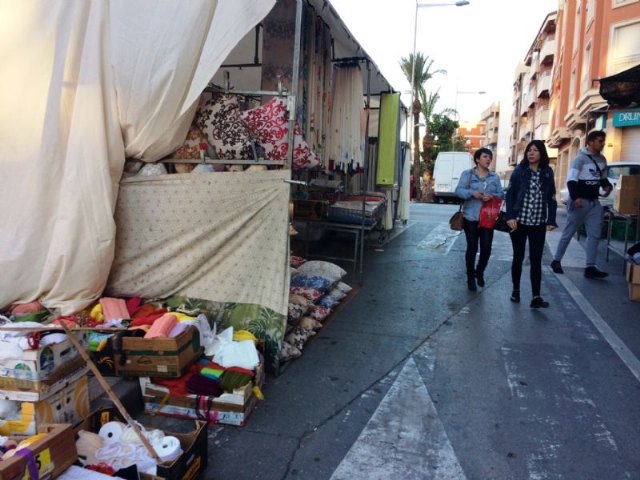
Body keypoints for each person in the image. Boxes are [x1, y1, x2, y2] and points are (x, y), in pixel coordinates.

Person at [550, 130, 612, 278]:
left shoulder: (602, 159)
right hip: (580, 202)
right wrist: (576, 197)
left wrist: (608, 186)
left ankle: (590, 267)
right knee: (569, 233)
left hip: (594, 203)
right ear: (590, 142)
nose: (602, 144)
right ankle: (556, 261)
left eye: (603, 141)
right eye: (599, 141)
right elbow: (571, 180)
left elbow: (602, 179)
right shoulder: (579, 159)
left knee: (594, 235)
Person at [505, 140, 558, 308]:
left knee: (536, 259)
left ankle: (536, 296)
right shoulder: (519, 171)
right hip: (518, 223)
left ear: (541, 153)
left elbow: (552, 198)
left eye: (535, 150)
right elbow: (510, 194)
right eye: (529, 150)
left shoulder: (548, 173)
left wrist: (551, 220)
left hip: (538, 223)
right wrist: (510, 216)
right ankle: (516, 290)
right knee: (518, 257)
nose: (531, 153)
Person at [455, 148, 504, 291]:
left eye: (490, 157)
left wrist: (492, 196)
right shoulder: (468, 174)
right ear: (477, 159)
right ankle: (470, 277)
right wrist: (472, 193)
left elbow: (501, 194)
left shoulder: (494, 177)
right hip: (471, 217)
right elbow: (458, 191)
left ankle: (479, 271)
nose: (488, 160)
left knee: (486, 248)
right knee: (472, 248)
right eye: (485, 157)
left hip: (488, 218)